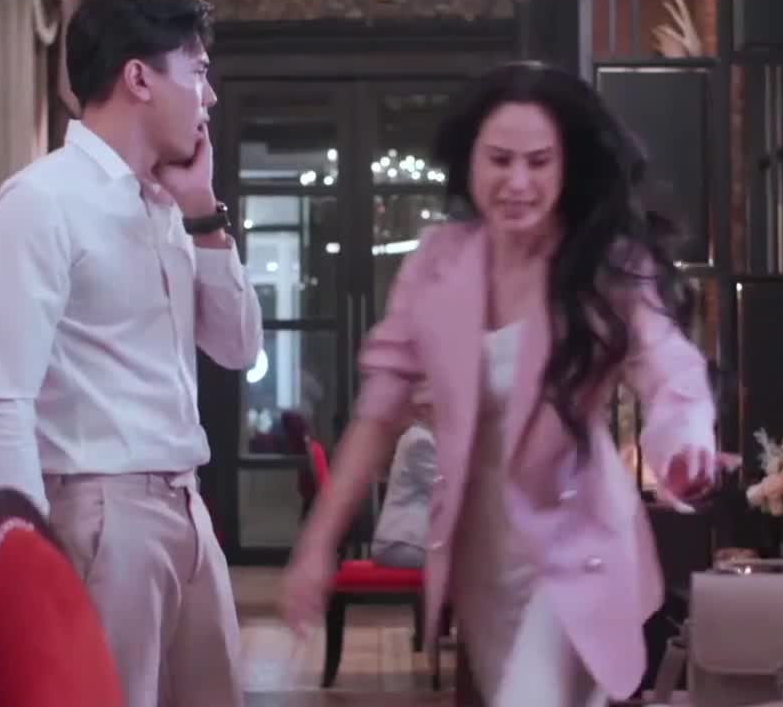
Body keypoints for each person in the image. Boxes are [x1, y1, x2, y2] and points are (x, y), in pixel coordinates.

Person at [280, 61, 733, 707]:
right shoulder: (436, 264)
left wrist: (685, 442)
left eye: (539, 162)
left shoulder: (602, 262)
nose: (518, 182)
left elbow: (669, 368)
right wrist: (317, 545)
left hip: (579, 547)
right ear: (470, 161)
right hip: (481, 554)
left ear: (566, 166)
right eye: (499, 160)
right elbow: (377, 415)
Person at [0, 0, 261, 706]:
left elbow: (237, 348)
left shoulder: (168, 205)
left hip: (187, 507)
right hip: (100, 513)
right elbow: (1, 402)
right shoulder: (42, 201)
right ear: (138, 78)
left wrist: (203, 214)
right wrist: (28, 567)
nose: (209, 95)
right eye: (196, 71)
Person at [370, 385, 437, 569]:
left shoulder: (425, 437)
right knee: (470, 566)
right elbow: (444, 490)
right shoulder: (419, 440)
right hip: (401, 544)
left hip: (410, 542)